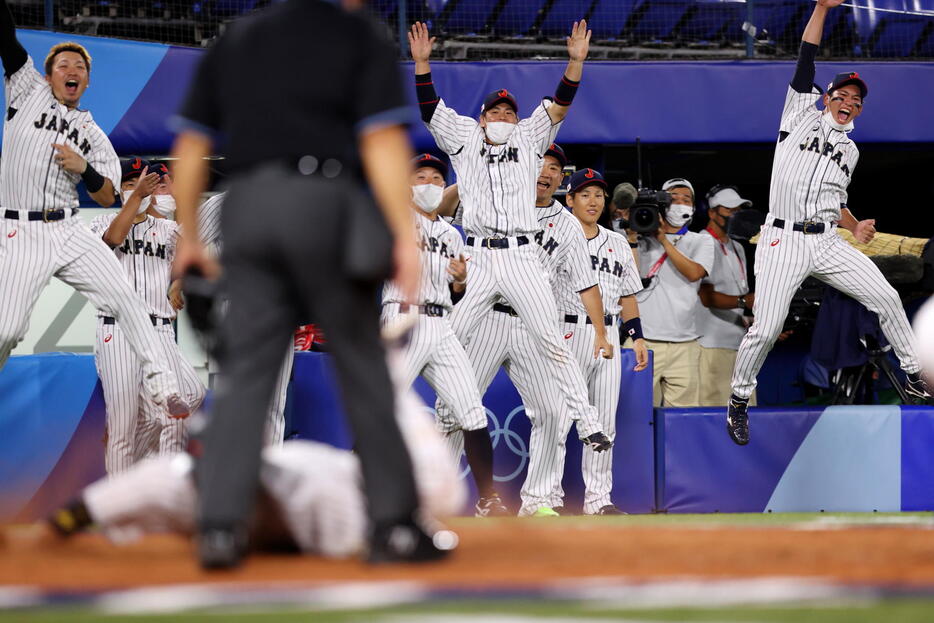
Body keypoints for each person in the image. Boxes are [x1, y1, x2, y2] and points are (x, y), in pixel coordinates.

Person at [169, 0, 433, 568]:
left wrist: (189, 235)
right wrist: (404, 236)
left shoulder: (238, 36)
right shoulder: (357, 34)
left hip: (248, 207)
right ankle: (395, 527)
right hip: (326, 204)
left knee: (244, 376)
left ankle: (218, 528)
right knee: (362, 365)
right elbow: (382, 140)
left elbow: (190, 144)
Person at [727, 0, 931, 445]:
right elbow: (806, 57)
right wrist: (821, 8)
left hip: (829, 240)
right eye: (842, 96)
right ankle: (739, 400)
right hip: (782, 238)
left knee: (887, 297)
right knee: (766, 326)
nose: (849, 103)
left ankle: (915, 376)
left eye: (856, 101)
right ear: (826, 98)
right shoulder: (798, 115)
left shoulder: (851, 152)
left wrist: (855, 227)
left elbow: (834, 200)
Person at [47, 343, 464, 560]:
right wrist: (59, 528)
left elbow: (359, 544)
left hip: (354, 483)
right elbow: (83, 510)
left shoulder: (315, 499)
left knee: (442, 491)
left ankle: (382, 366)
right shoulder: (172, 484)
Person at [409, 21, 614, 449]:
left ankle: (587, 421)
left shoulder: (528, 137)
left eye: (508, 112)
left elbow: (559, 106)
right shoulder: (464, 136)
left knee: (551, 339)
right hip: (480, 256)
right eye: (494, 111)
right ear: (481, 117)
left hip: (523, 256)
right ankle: (441, 412)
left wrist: (575, 63)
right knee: (447, 332)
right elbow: (430, 108)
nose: (502, 117)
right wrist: (422, 65)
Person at [0, 0, 187, 417]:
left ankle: (165, 386)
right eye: (63, 65)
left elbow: (106, 196)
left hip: (67, 230)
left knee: (126, 298)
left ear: (87, 82)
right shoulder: (26, 91)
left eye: (80, 68)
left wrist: (83, 169)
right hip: (19, 231)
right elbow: (5, 38)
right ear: (47, 76)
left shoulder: (94, 134)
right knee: (7, 329)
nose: (72, 71)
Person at [435, 145, 614, 518]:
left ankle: (538, 501)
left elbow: (585, 283)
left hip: (531, 324)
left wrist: (600, 332)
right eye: (539, 164)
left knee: (552, 410)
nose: (545, 173)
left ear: (561, 179)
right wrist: (469, 177)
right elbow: (440, 208)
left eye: (554, 169)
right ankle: (438, 499)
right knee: (454, 409)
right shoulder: (491, 197)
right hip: (485, 318)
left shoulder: (566, 225)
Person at [382, 153, 507, 517]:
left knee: (472, 411)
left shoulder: (452, 234)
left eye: (437, 179)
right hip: (402, 319)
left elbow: (457, 293)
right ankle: (359, 490)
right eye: (421, 177)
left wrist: (460, 280)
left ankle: (488, 499)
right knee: (381, 407)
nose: (431, 185)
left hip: (442, 323)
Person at [88, 160, 207, 474]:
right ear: (120, 191)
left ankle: (153, 479)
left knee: (190, 395)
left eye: (146, 184)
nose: (137, 189)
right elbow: (111, 240)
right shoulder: (100, 221)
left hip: (160, 330)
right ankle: (119, 511)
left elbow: (190, 261)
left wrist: (181, 280)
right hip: (119, 330)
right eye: (130, 184)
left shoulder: (167, 229)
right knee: (124, 423)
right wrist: (138, 197)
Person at [559, 169, 647, 515]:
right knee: (557, 418)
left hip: (609, 334)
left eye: (598, 194)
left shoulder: (617, 241)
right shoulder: (555, 237)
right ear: (570, 200)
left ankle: (598, 501)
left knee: (604, 421)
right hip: (566, 330)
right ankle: (546, 497)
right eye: (584, 194)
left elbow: (628, 294)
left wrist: (636, 336)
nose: (593, 201)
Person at [197, 191, 290, 447]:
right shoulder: (222, 203)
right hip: (234, 308)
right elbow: (187, 243)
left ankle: (270, 478)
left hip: (279, 311)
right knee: (233, 401)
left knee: (274, 402)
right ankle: (229, 476)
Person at [633, 178, 715, 407]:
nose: (680, 203)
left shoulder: (702, 240)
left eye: (686, 199)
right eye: (673, 198)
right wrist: (633, 235)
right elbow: (628, 278)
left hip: (685, 345)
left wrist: (663, 239)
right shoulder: (639, 239)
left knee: (680, 422)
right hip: (643, 342)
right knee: (636, 413)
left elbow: (694, 273)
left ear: (693, 206)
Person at [696, 184, 756, 407]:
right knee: (714, 414)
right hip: (712, 344)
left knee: (745, 414)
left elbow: (738, 296)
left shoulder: (738, 247)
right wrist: (744, 301)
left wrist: (751, 320)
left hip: (740, 345)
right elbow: (706, 296)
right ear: (712, 213)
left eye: (738, 210)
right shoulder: (701, 242)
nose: (735, 215)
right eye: (729, 209)